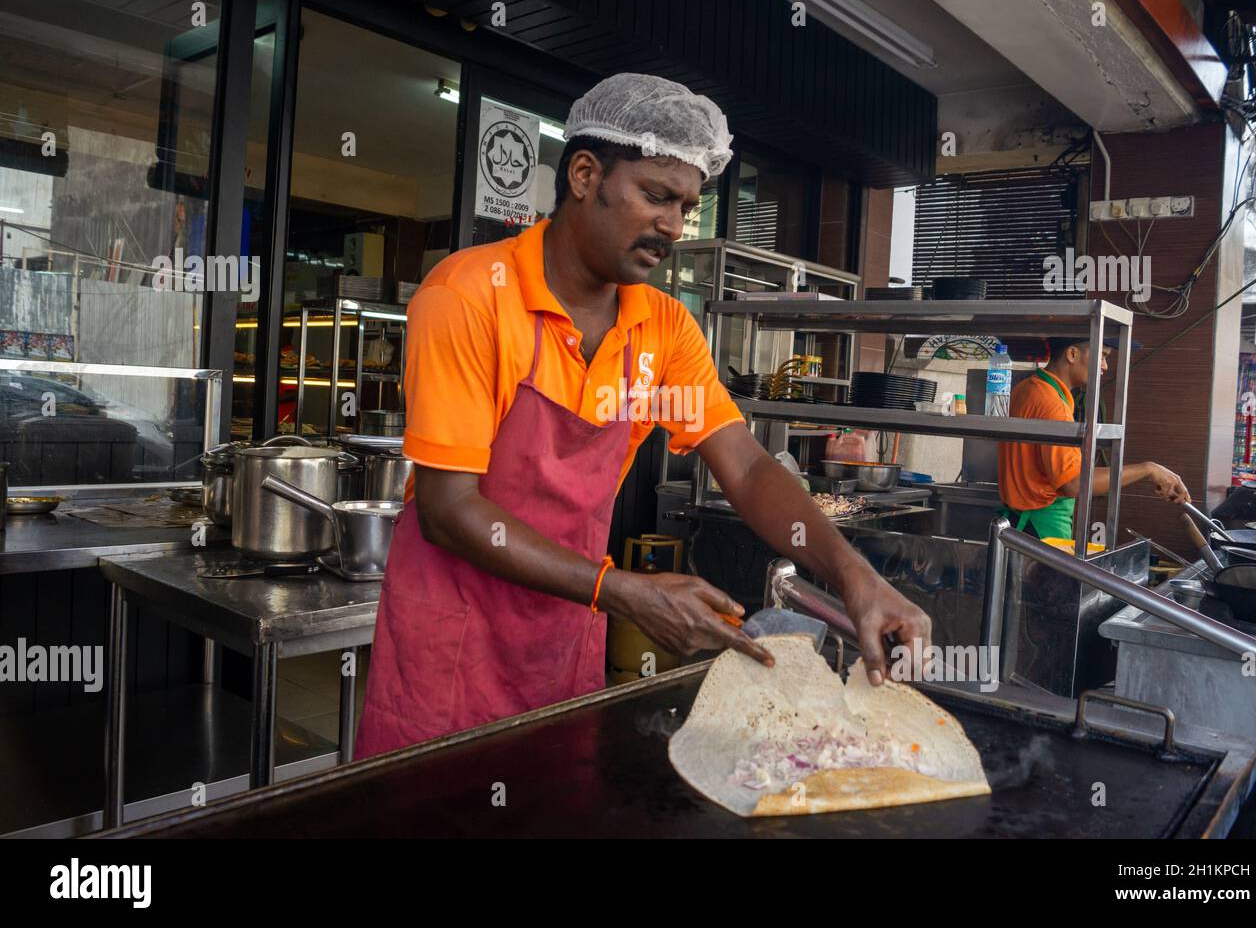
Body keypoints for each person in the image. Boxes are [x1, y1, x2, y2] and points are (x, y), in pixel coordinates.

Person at [353, 74, 931, 757]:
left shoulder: (662, 327)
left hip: (563, 647)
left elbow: (744, 466)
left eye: (686, 204)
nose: (673, 225)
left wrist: (853, 574)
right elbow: (449, 508)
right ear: (585, 174)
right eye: (655, 195)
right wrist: (620, 589)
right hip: (446, 660)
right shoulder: (471, 296)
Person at [996, 336, 1190, 540]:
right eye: (1102, 356)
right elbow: (1073, 483)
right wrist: (1147, 469)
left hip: (1019, 522)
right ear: (1072, 354)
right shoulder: (1052, 404)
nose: (1105, 366)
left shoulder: (1028, 388)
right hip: (1040, 529)